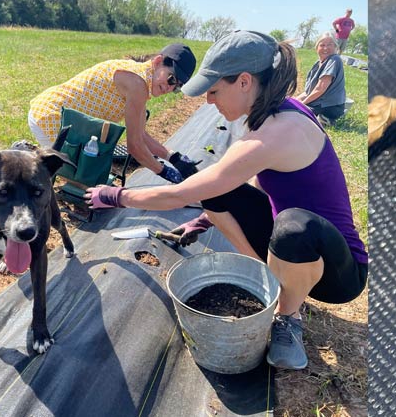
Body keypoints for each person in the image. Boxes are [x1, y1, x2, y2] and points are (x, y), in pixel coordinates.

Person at [84, 30, 368, 371]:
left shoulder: (277, 133)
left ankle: (287, 318)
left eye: (214, 91)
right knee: (220, 192)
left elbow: (180, 194)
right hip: (297, 248)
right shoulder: (273, 113)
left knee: (293, 226)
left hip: (339, 272)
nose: (208, 102)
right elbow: (250, 184)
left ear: (244, 82)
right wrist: (206, 218)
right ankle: (271, 281)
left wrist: (116, 195)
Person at [28, 43, 198, 179]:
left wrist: (174, 158)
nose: (170, 88)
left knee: (89, 174)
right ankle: (28, 156)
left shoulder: (141, 78)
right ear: (158, 61)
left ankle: (32, 153)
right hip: (50, 119)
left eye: (177, 87)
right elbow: (134, 146)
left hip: (52, 115)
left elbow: (141, 134)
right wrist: (164, 172)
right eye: (171, 79)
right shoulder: (137, 84)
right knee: (82, 181)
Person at [297, 34, 347, 124]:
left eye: (329, 45)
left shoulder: (334, 59)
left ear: (336, 47)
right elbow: (308, 92)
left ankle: (326, 118)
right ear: (317, 48)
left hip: (330, 106)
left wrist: (302, 105)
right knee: (291, 106)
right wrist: (293, 101)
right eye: (322, 45)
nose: (325, 48)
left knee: (295, 115)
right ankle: (319, 117)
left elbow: (320, 89)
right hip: (318, 102)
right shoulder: (317, 64)